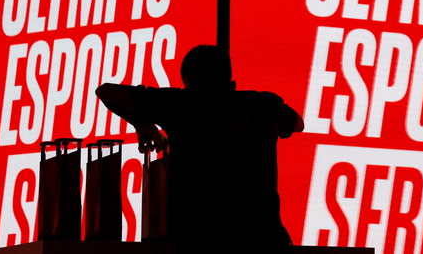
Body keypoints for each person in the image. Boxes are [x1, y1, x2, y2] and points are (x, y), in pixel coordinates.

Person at [95, 44, 304, 252]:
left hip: (196, 237)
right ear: (230, 81)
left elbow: (106, 92)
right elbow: (298, 124)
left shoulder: (180, 103)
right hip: (262, 238)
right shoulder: (265, 104)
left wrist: (143, 124)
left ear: (189, 80)